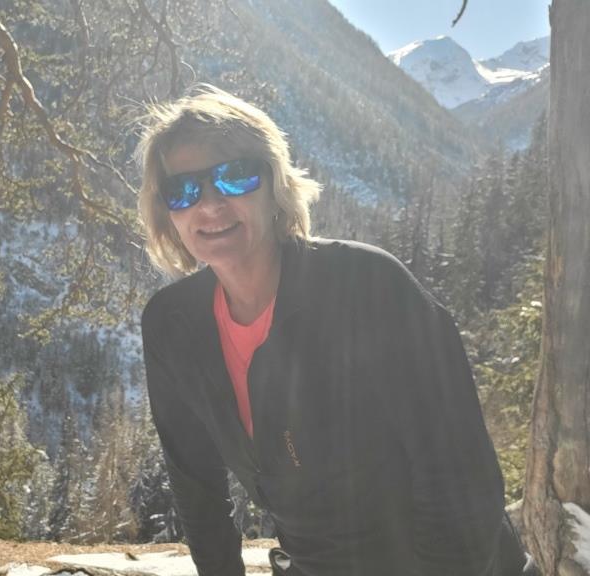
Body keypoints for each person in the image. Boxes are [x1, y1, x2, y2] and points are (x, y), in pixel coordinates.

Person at [137, 86, 535, 576]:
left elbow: (462, 480)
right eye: (183, 189)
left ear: (275, 184)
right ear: (166, 211)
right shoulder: (173, 325)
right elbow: (195, 483)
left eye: (235, 176)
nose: (210, 204)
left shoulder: (367, 286)